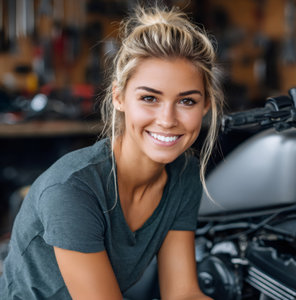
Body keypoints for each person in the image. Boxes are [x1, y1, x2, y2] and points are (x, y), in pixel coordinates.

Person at [0, 4, 223, 300]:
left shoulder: (183, 176)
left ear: (205, 105)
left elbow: (182, 293)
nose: (168, 120)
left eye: (187, 102)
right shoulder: (73, 190)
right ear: (119, 97)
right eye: (149, 98)